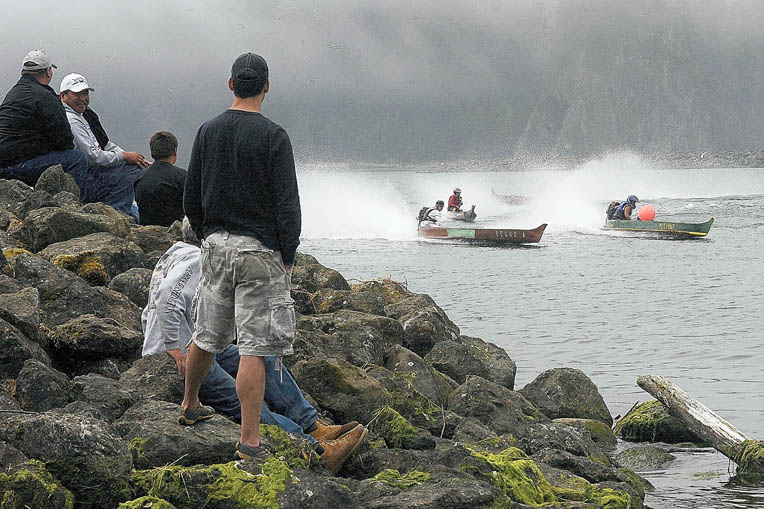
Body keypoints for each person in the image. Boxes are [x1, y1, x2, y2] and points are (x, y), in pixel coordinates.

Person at [182, 52, 368, 463]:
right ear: (267, 87)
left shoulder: (206, 131)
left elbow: (191, 196)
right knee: (253, 347)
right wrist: (288, 253)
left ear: (230, 84)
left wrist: (207, 234)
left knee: (206, 335)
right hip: (258, 251)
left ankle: (189, 405)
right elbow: (288, 204)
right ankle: (250, 440)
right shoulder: (274, 136)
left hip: (214, 244)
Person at [142, 219, 364, 473]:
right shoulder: (195, 259)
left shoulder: (177, 254)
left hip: (200, 345)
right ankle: (316, 450)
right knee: (246, 400)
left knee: (263, 362)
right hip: (181, 356)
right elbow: (167, 294)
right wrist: (171, 345)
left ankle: (312, 425)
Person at [60, 73, 149, 221]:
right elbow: (93, 157)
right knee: (132, 169)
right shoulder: (72, 121)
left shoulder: (81, 116)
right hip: (85, 178)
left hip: (92, 173)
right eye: (77, 94)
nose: (83, 98)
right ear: (63, 96)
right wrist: (124, 157)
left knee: (134, 164)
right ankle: (116, 213)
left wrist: (133, 157)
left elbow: (106, 145)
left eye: (85, 93)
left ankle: (119, 210)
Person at [0, 50, 88, 189]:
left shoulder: (14, 93)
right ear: (48, 71)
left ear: (24, 71)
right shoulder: (45, 96)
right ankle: (72, 205)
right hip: (17, 166)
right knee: (77, 159)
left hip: (3, 162)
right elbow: (64, 140)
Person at [133, 131, 186, 226]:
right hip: (176, 233)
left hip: (146, 233)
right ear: (175, 151)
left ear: (152, 152)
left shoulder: (139, 178)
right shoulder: (182, 177)